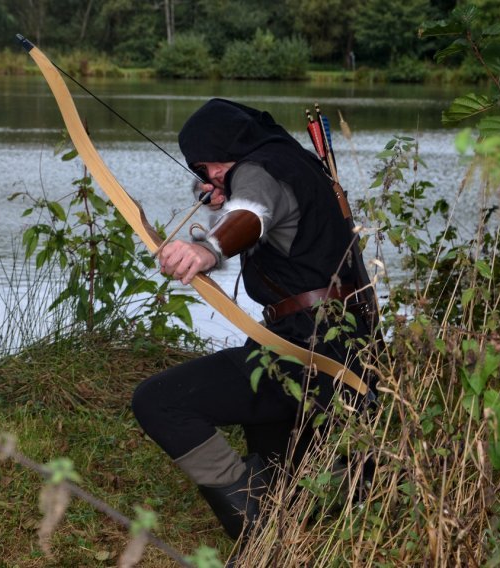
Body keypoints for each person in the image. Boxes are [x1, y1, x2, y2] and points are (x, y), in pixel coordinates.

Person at [131, 98, 373, 542]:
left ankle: (257, 528)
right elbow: (258, 217)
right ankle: (293, 521)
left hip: (306, 350)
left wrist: (207, 249)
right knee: (283, 468)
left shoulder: (259, 169)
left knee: (159, 401)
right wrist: (223, 206)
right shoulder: (292, 163)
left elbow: (251, 217)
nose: (206, 179)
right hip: (336, 349)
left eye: (205, 168)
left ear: (221, 150)